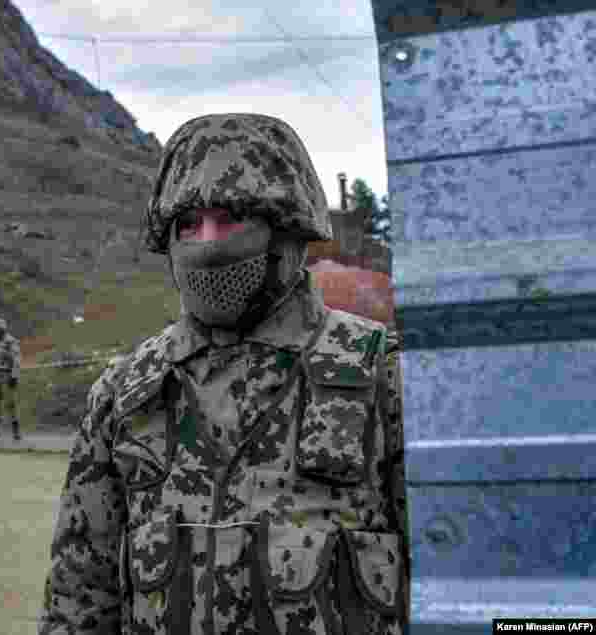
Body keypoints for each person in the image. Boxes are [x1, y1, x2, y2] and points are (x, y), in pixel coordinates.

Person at [38, 113, 408, 634]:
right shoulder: (126, 396)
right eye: (188, 225)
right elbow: (78, 603)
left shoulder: (381, 377)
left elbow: (467, 586)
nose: (208, 244)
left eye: (232, 219)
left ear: (286, 231)